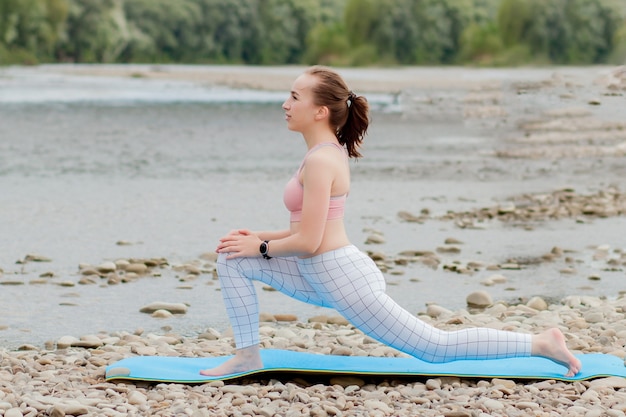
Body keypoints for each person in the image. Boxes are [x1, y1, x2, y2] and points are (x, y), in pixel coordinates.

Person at [200, 66, 581, 378]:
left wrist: (263, 248)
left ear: (320, 111)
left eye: (294, 97)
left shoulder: (321, 160)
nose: (285, 104)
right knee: (233, 258)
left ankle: (540, 343)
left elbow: (311, 241)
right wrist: (256, 238)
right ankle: (248, 355)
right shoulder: (319, 154)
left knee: (434, 347)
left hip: (340, 278)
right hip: (318, 274)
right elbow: (307, 230)